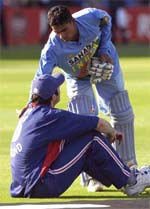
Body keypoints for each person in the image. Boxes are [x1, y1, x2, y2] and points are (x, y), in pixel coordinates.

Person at [19, 5, 147, 192]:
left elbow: (106, 20)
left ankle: (128, 165)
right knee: (84, 120)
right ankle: (92, 177)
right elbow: (41, 79)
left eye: (64, 30)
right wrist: (31, 104)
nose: (61, 35)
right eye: (57, 32)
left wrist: (103, 48)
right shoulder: (52, 48)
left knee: (123, 111)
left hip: (105, 64)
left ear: (73, 21)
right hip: (77, 78)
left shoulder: (90, 16)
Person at [10, 73, 150, 198]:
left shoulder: (29, 113)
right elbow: (99, 124)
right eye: (57, 87)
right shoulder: (48, 116)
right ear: (53, 95)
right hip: (41, 184)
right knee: (92, 137)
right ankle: (132, 181)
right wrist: (112, 132)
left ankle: (120, 180)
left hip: (24, 185)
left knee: (82, 143)